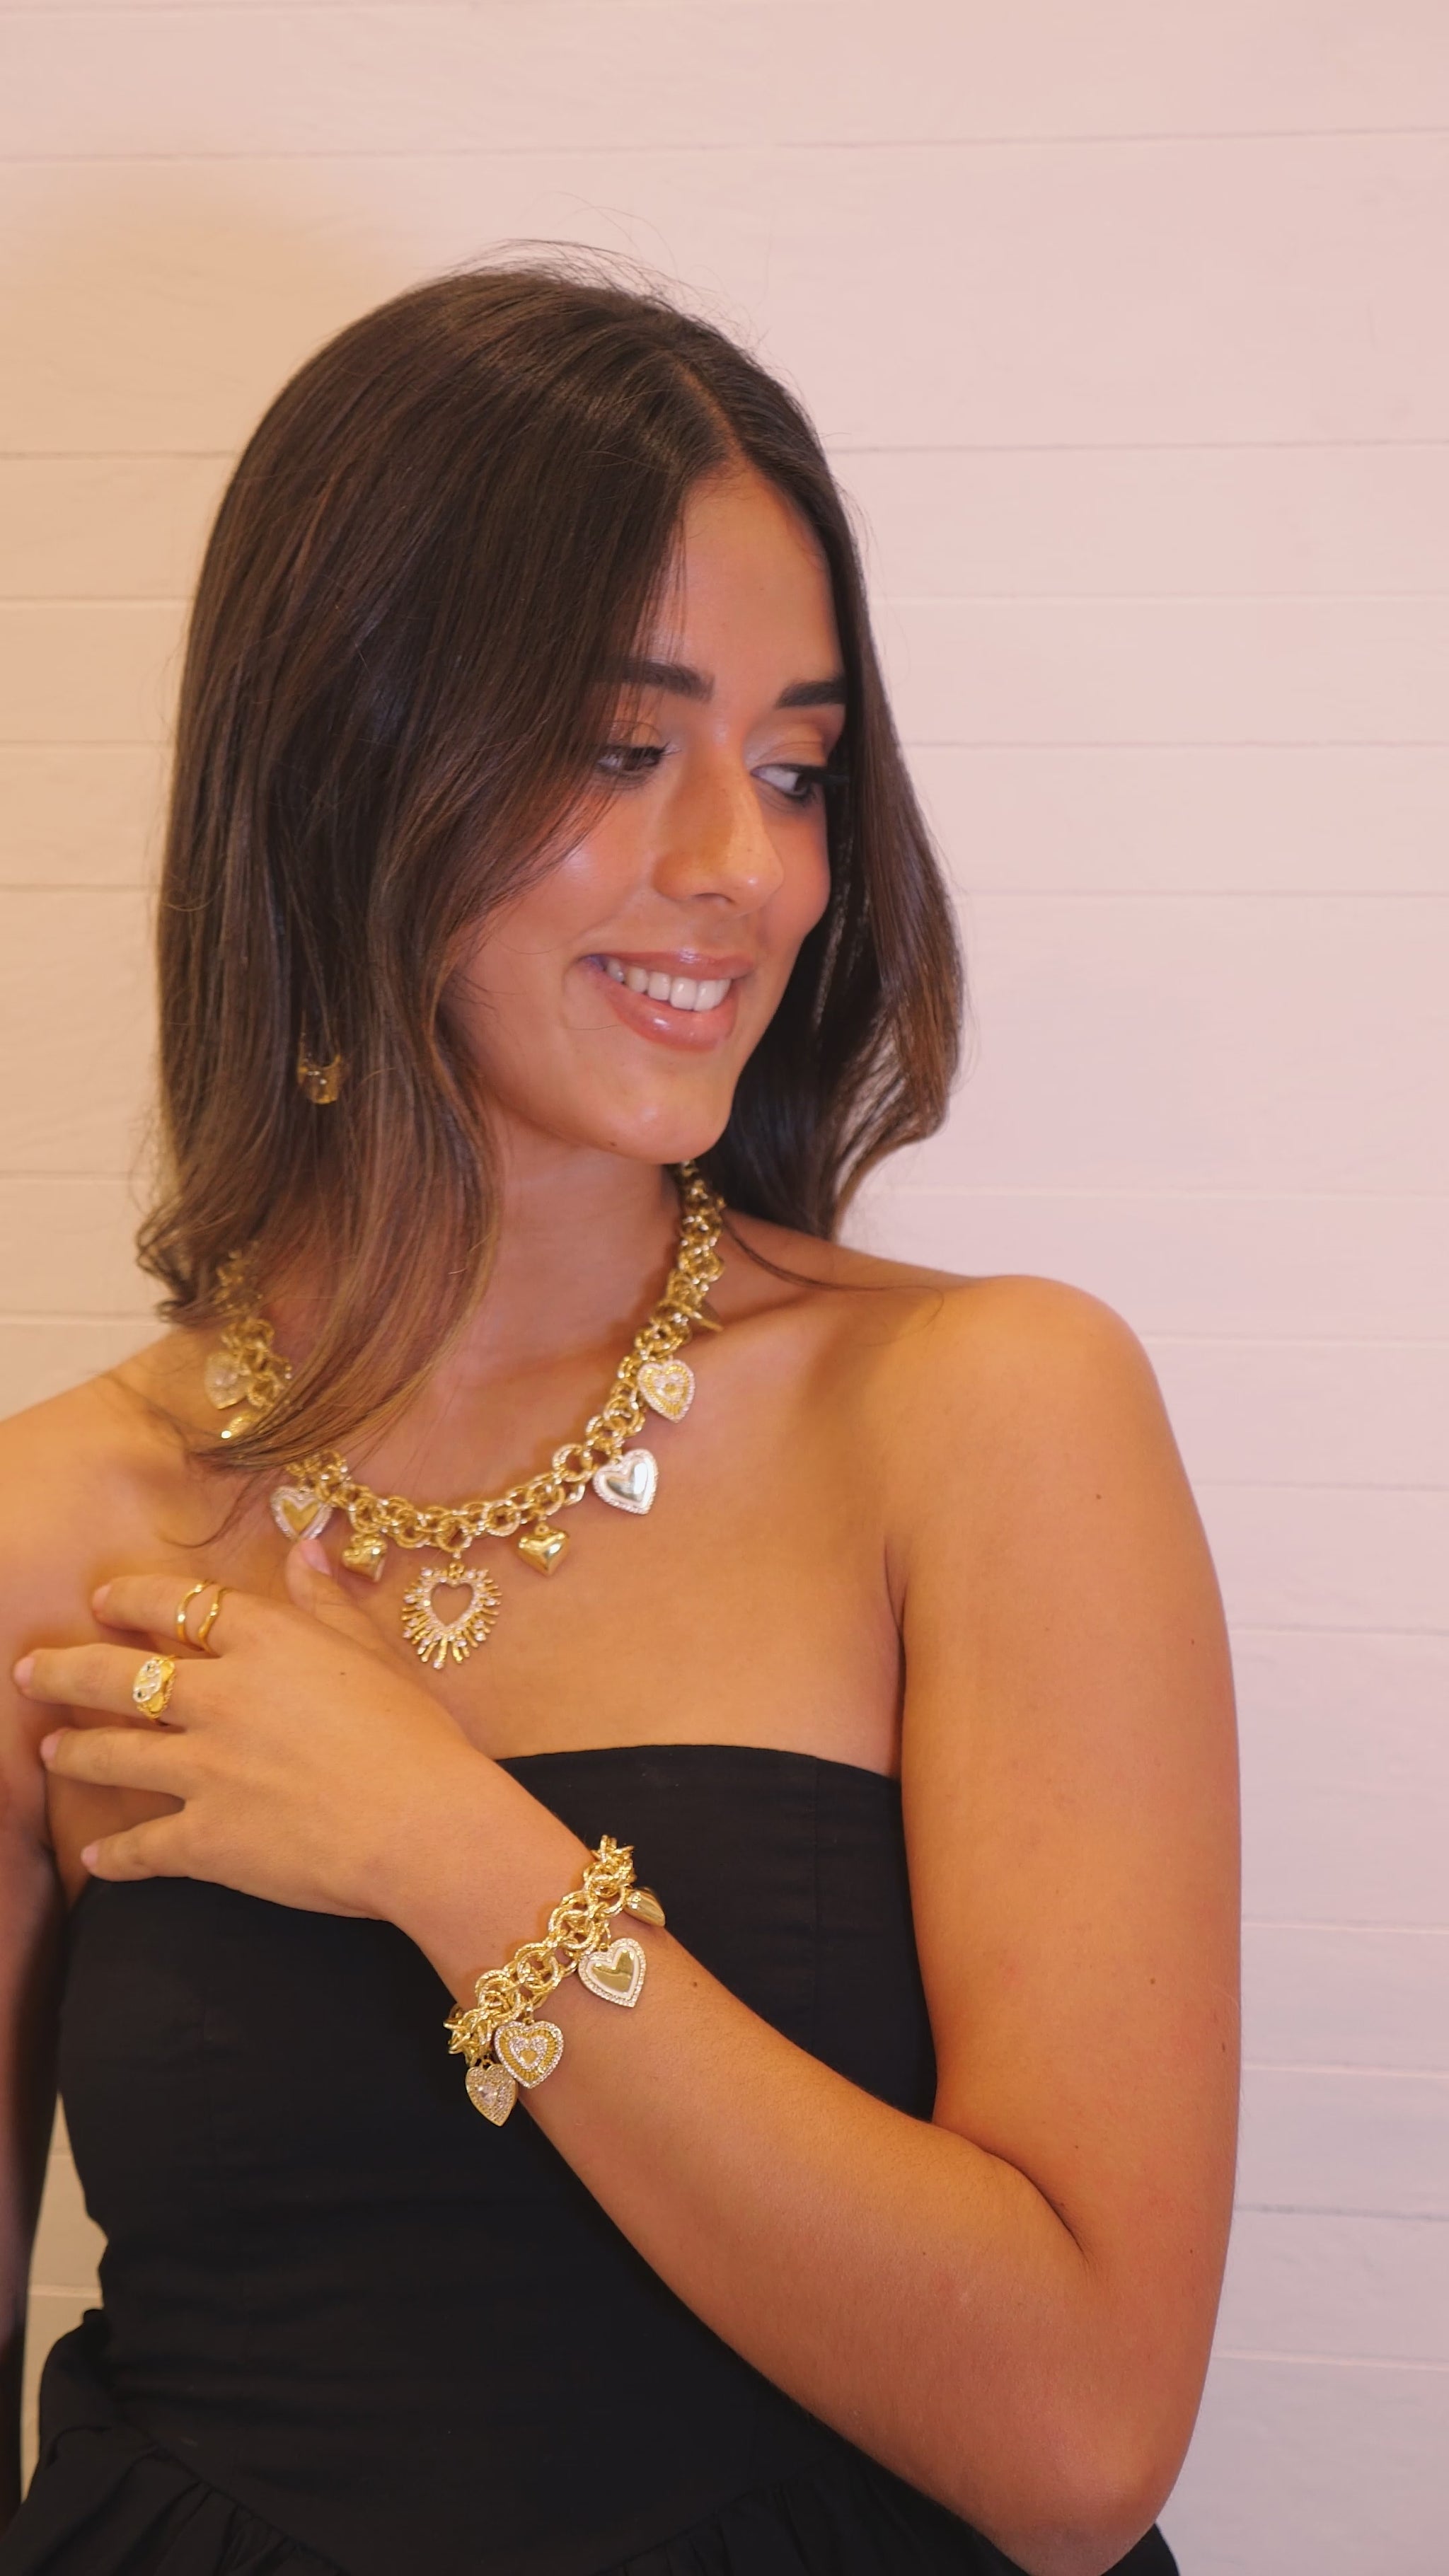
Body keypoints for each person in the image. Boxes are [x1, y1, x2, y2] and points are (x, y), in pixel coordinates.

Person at [0, 265, 1238, 2576]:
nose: (747, 868)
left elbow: (1082, 2443)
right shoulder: (54, 1530)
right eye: (618, 746)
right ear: (349, 756)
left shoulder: (983, 1417)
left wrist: (443, 1843)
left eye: (796, 767)